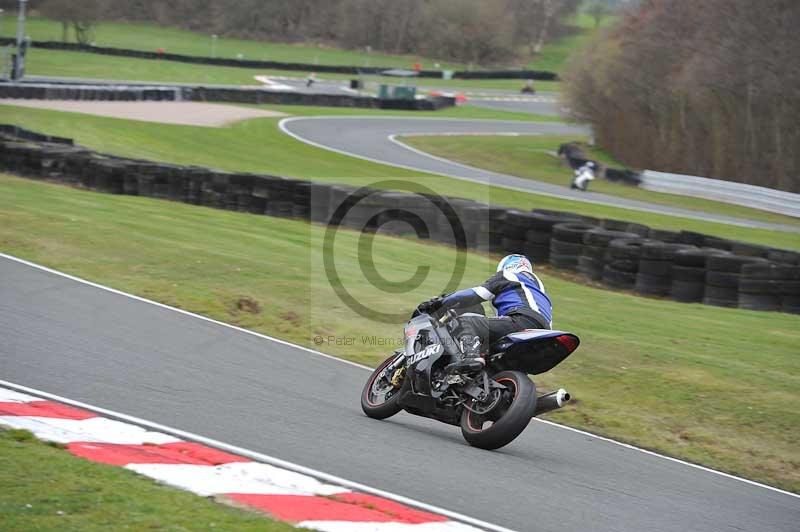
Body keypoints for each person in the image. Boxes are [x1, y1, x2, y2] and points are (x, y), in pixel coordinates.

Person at [417, 254, 552, 374]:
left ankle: (470, 356)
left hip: (522, 321)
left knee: (466, 321)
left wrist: (440, 301)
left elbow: (475, 294)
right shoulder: (540, 292)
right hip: (545, 336)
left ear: (507, 266)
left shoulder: (508, 275)